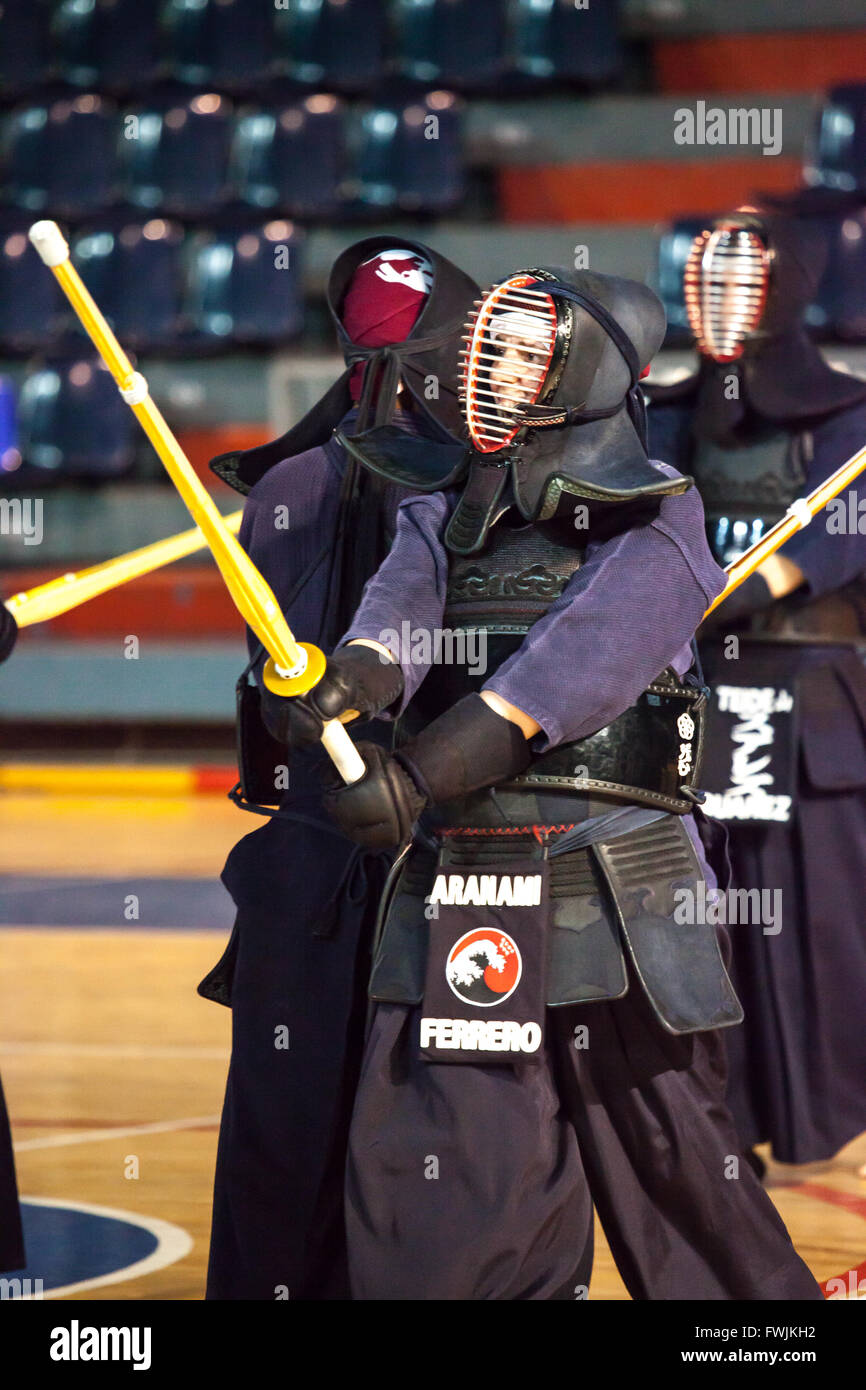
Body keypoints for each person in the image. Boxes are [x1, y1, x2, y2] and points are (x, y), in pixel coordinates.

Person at [277, 266, 821, 1299]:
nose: (496, 369)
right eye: (491, 348)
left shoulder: (660, 517)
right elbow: (395, 617)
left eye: (528, 352)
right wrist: (340, 685)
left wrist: (415, 776)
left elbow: (562, 678)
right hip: (468, 882)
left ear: (593, 369)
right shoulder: (440, 508)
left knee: (678, 1181)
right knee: (447, 1170)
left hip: (615, 890)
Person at [199, 238, 480, 1299]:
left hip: (364, 847)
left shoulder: (288, 485)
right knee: (415, 1132)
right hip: (400, 846)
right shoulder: (336, 484)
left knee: (300, 1126)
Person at [648, 209, 866, 1168]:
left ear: (791, 288)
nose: (719, 301)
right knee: (707, 917)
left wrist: (728, 591)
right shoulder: (662, 413)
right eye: (708, 278)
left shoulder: (851, 419)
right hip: (697, 705)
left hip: (810, 704)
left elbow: (834, 546)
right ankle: (721, 1120)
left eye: (745, 280)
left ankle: (830, 1115)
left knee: (821, 925)